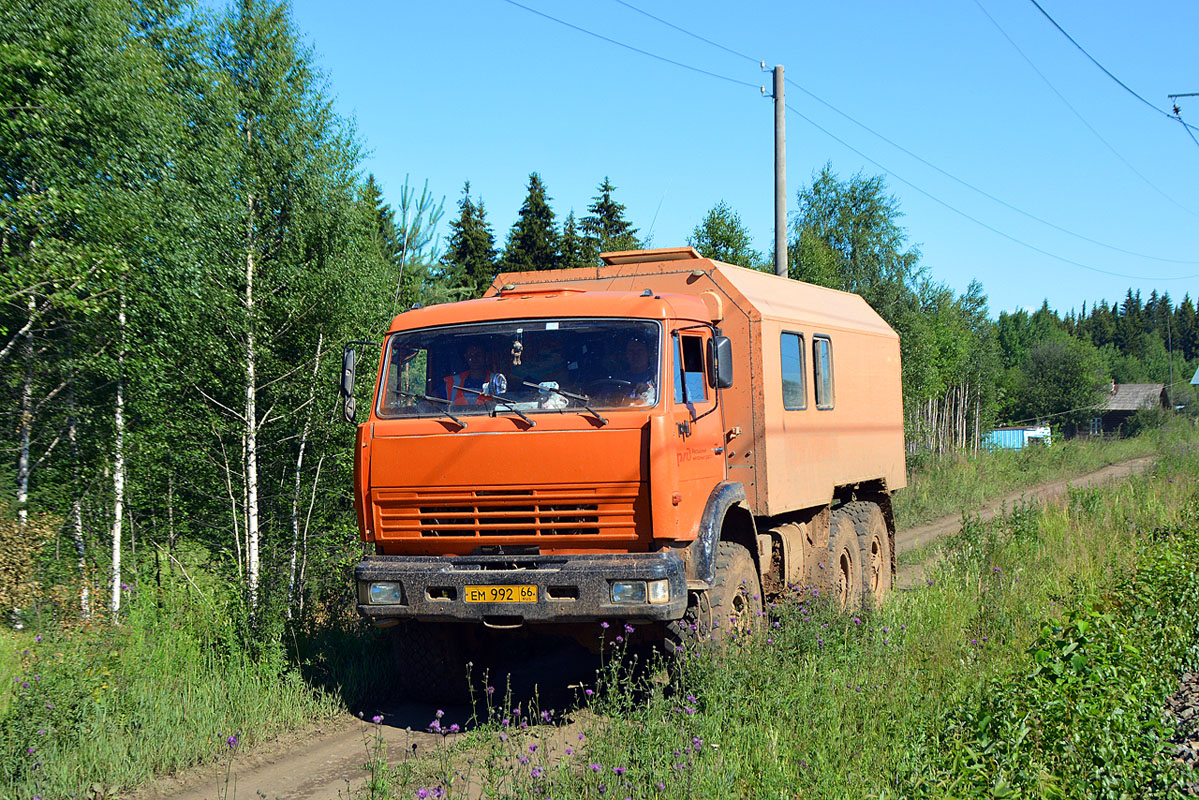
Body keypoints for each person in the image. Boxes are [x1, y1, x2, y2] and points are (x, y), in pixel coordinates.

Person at [623, 337, 657, 404]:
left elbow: (668, 397)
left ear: (648, 353)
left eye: (640, 351)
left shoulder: (657, 377)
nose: (635, 355)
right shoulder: (618, 377)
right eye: (631, 351)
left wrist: (649, 390)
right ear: (626, 354)